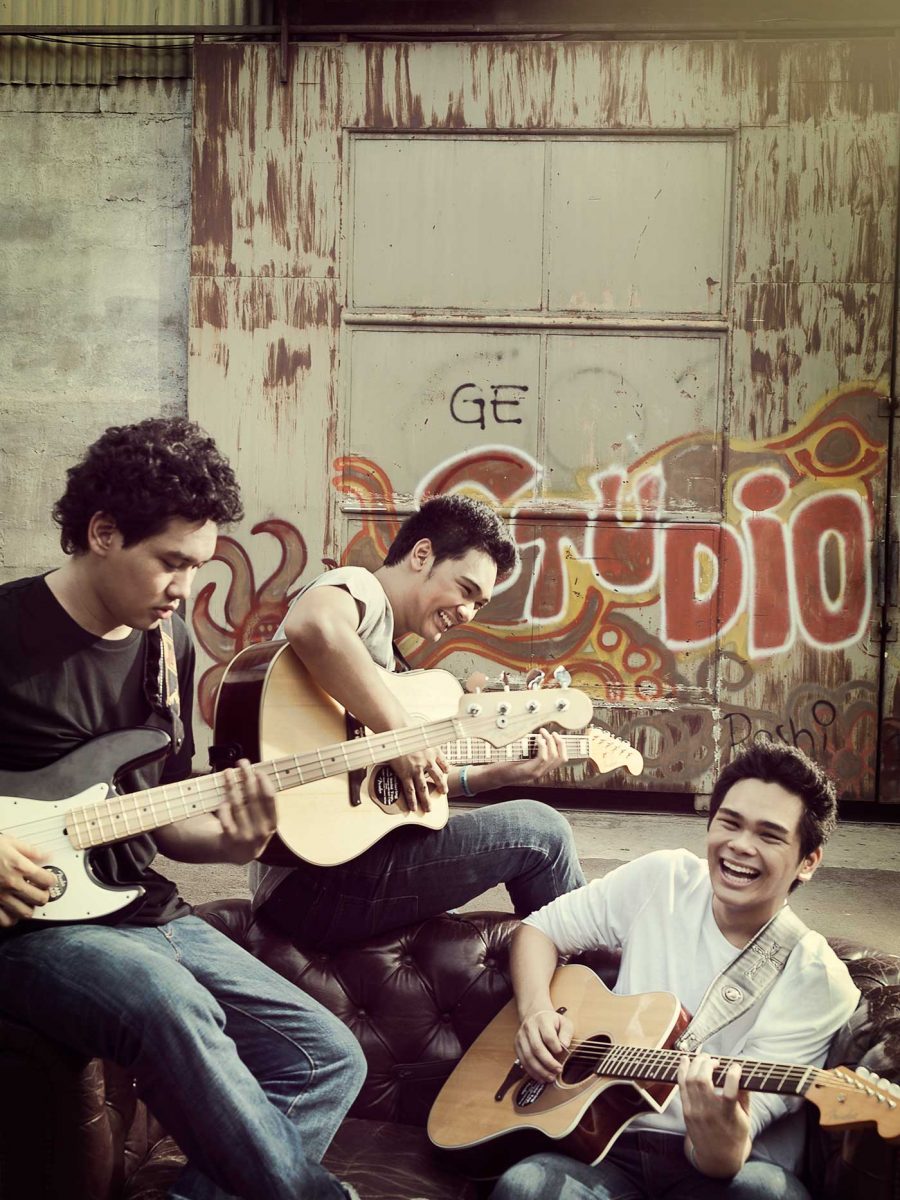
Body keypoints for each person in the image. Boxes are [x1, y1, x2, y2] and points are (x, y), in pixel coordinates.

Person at [0, 418, 365, 1200]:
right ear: (103, 532)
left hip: (144, 910)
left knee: (328, 1057)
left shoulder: (169, 648)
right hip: (33, 929)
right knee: (168, 1003)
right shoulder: (5, 629)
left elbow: (160, 814)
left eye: (199, 566)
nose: (186, 588)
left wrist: (233, 842)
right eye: (171, 563)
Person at [489, 742, 860, 1200]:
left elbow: (726, 1157)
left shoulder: (817, 979)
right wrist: (536, 1013)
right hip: (605, 1150)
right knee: (525, 1187)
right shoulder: (662, 880)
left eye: (769, 835)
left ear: (808, 861)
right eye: (730, 822)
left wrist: (716, 1128)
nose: (740, 846)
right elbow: (539, 931)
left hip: (721, 1175)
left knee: (768, 1194)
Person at [251, 494, 586, 949]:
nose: (467, 613)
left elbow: (392, 789)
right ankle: (591, 975)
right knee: (542, 833)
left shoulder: (392, 666)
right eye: (465, 589)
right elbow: (315, 624)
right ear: (422, 554)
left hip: (329, 871)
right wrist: (403, 735)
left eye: (479, 604)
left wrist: (495, 775)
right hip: (312, 881)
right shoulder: (362, 590)